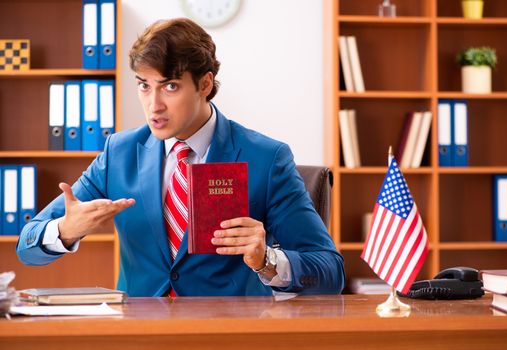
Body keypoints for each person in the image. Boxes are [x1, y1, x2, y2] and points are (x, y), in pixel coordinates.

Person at [16, 18, 345, 297]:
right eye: (144, 86)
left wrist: (268, 260)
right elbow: (27, 246)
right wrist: (63, 231)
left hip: (229, 337)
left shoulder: (266, 158)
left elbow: (330, 271)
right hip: (140, 335)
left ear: (205, 84)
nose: (153, 105)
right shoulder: (119, 152)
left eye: (169, 87)